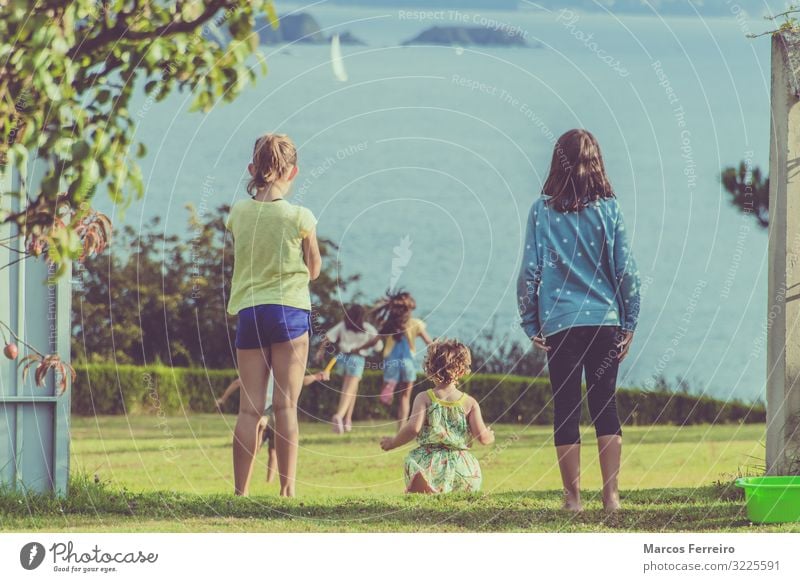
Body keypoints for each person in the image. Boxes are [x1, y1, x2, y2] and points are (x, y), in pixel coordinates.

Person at [516, 128, 641, 513]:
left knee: (566, 406)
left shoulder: (542, 210)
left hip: (560, 325)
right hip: (605, 321)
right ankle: (611, 496)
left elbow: (529, 273)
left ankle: (573, 500)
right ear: (597, 163)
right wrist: (629, 320)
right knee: (606, 405)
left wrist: (531, 322)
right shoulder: (610, 210)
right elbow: (625, 272)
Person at [226, 133, 321, 497]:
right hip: (290, 313)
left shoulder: (237, 212)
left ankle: (240, 492)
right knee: (285, 406)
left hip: (250, 311)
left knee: (250, 409)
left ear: (252, 169)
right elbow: (313, 269)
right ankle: (287, 490)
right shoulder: (301, 217)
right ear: (293, 172)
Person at [380, 339, 494, 493]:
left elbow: (413, 429)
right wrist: (490, 435)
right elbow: (482, 437)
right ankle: (455, 487)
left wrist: (393, 442)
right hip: (462, 467)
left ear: (430, 368)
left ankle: (426, 486)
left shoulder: (424, 398)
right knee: (467, 474)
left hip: (430, 462)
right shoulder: (470, 403)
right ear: (462, 371)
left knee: (412, 461)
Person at [216, 371, 329, 483]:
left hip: (260, 410)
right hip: (276, 412)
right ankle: (269, 481)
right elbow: (301, 380)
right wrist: (316, 376)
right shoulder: (280, 368)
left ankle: (247, 481)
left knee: (254, 449)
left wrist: (223, 398)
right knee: (273, 451)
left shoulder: (258, 369)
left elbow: (237, 383)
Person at [356, 291, 433, 428]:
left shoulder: (389, 325)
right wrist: (440, 350)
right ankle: (401, 427)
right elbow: (429, 342)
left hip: (392, 361)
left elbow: (374, 341)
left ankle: (389, 385)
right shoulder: (416, 323)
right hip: (408, 362)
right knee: (405, 397)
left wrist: (358, 348)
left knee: (390, 381)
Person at [314, 304, 382, 434]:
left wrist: (320, 351)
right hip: (357, 359)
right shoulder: (367, 328)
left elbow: (327, 337)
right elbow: (379, 346)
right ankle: (339, 415)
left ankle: (347, 421)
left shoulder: (343, 326)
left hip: (343, 358)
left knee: (351, 388)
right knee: (349, 389)